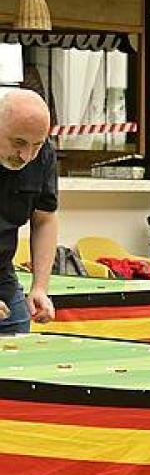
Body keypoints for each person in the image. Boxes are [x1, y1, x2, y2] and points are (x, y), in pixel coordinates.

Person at [0, 87, 56, 334]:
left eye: (36, 144)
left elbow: (44, 219)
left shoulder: (42, 155)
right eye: (18, 143)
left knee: (18, 350)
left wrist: (40, 287)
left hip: (2, 274)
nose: (25, 156)